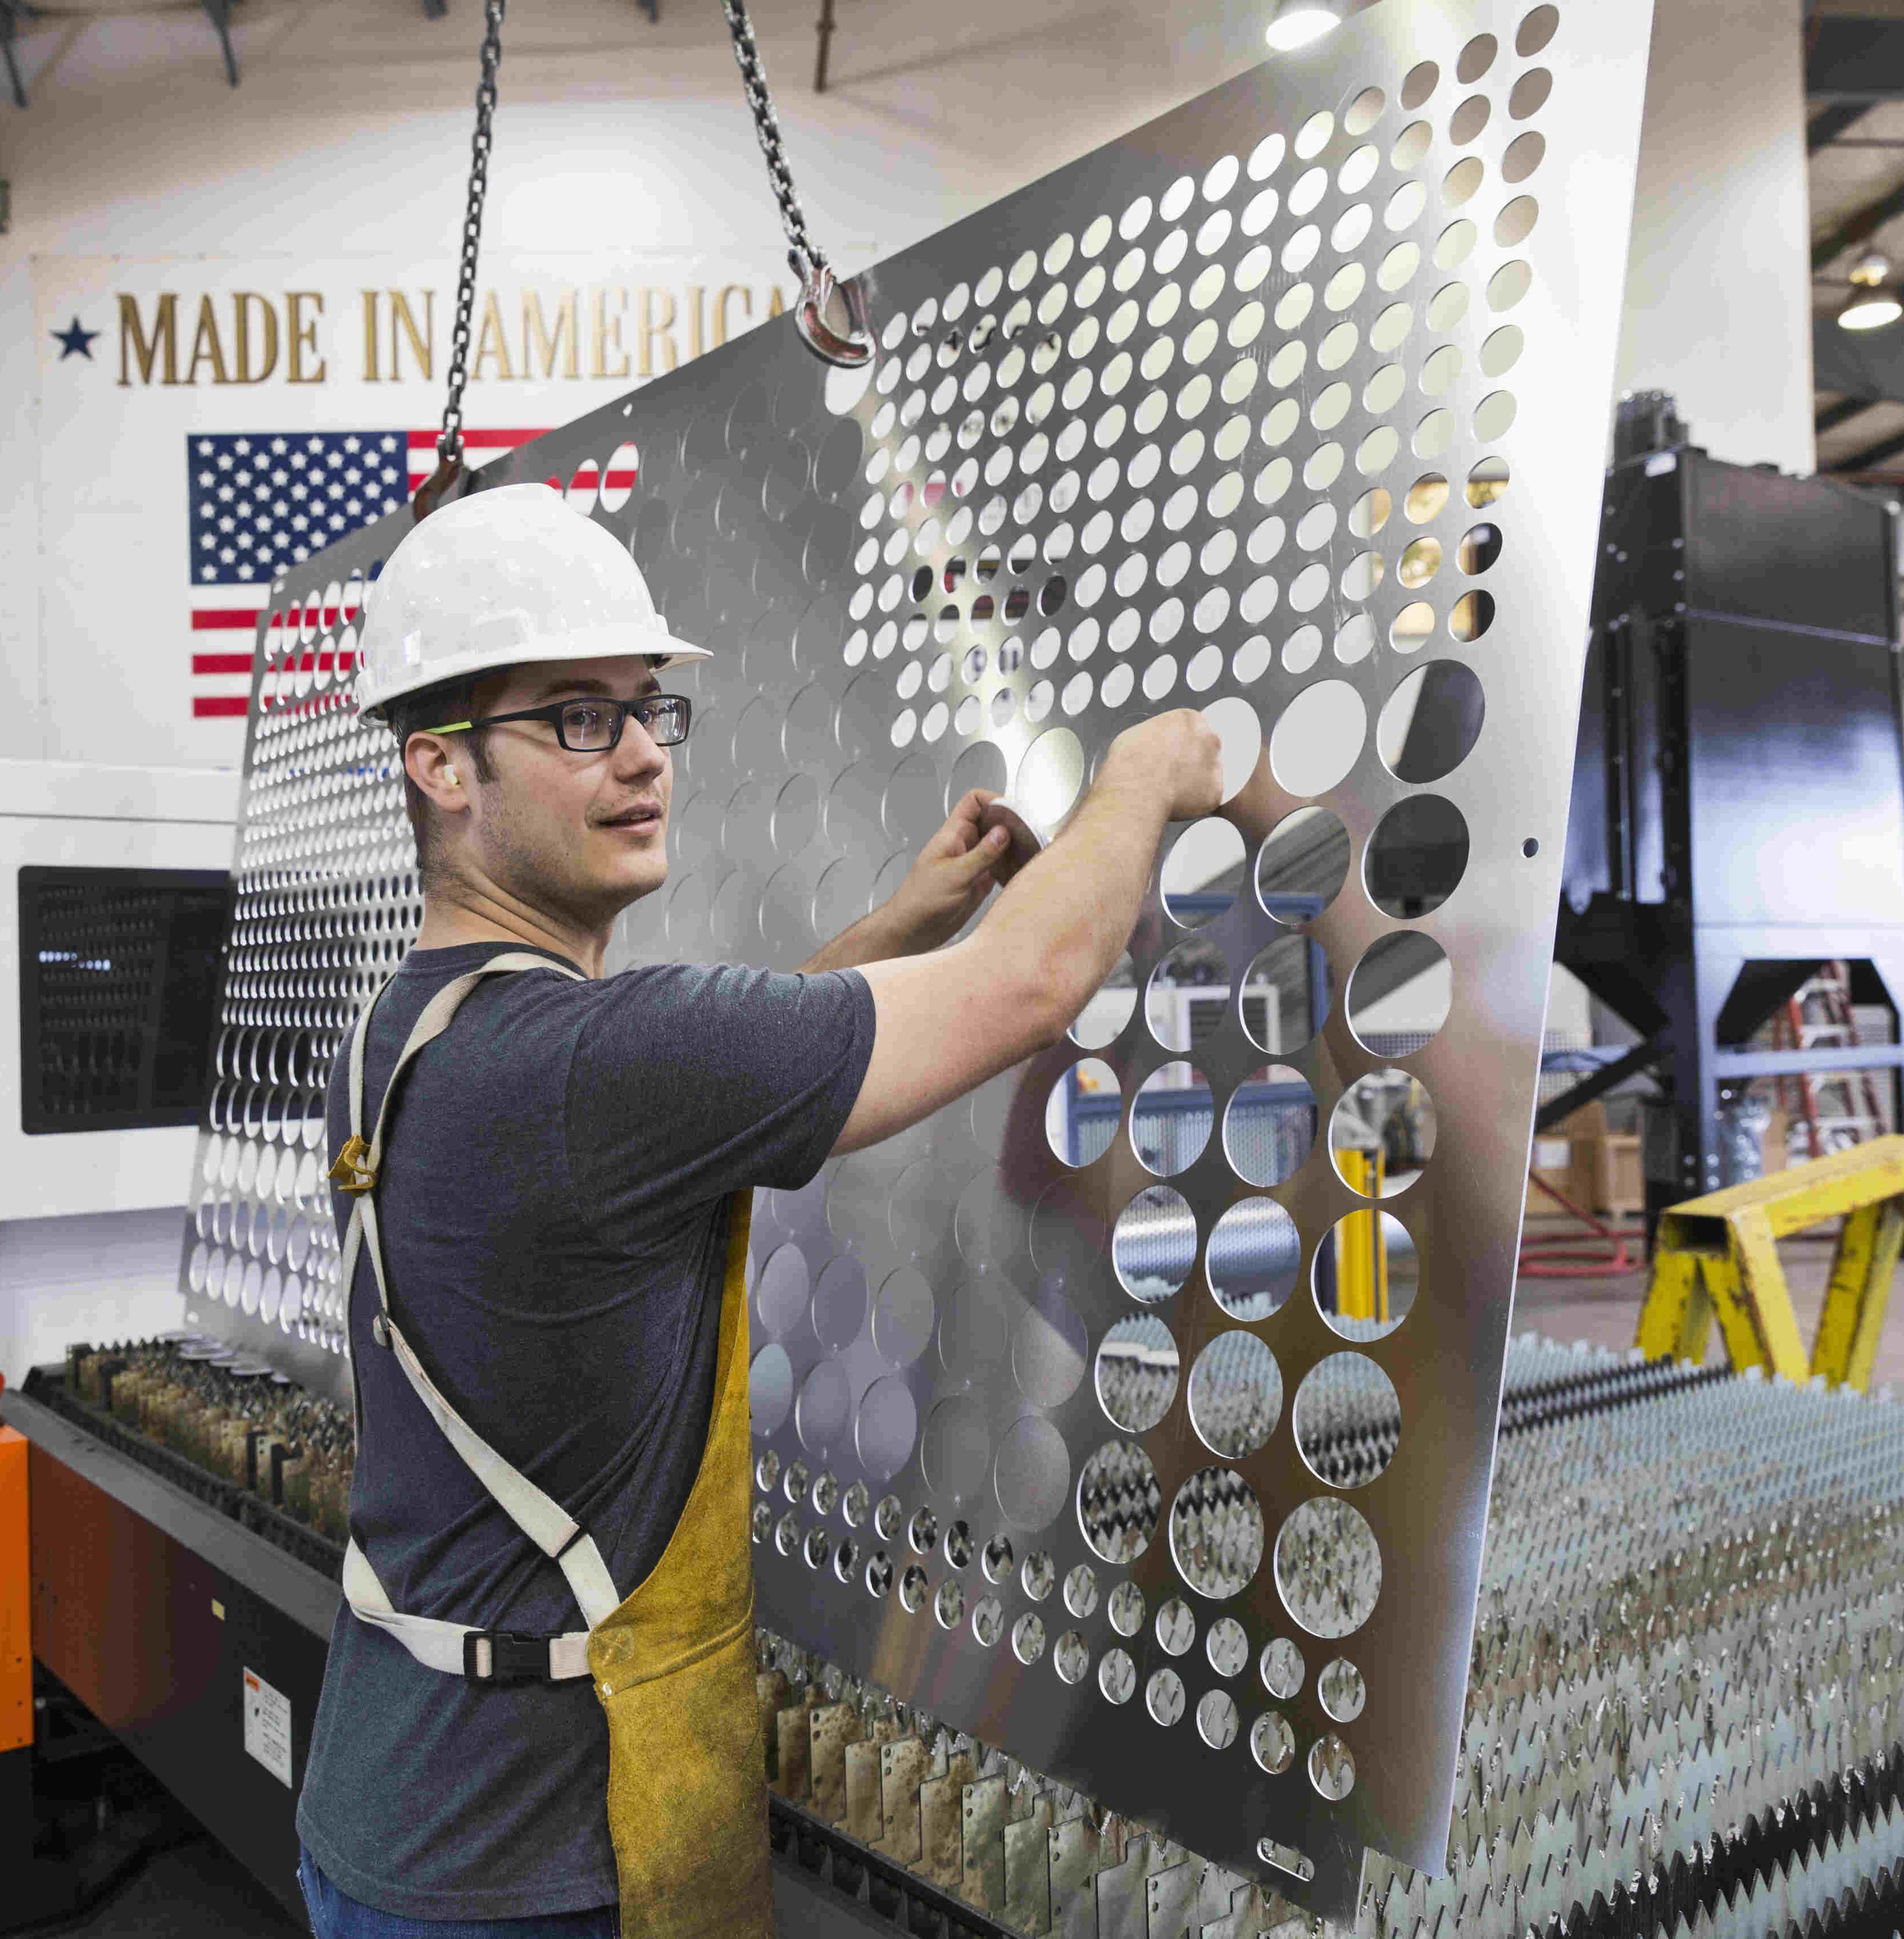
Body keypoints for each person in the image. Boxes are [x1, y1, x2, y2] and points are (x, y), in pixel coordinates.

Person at [294, 484, 1222, 1939]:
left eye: (650, 712)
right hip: (534, 1869)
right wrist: (1151, 775)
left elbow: (695, 1094)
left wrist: (910, 919)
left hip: (389, 1797)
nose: (645, 756)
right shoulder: (589, 1064)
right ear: (438, 767)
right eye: (575, 719)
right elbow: (1036, 981)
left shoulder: (413, 1035)